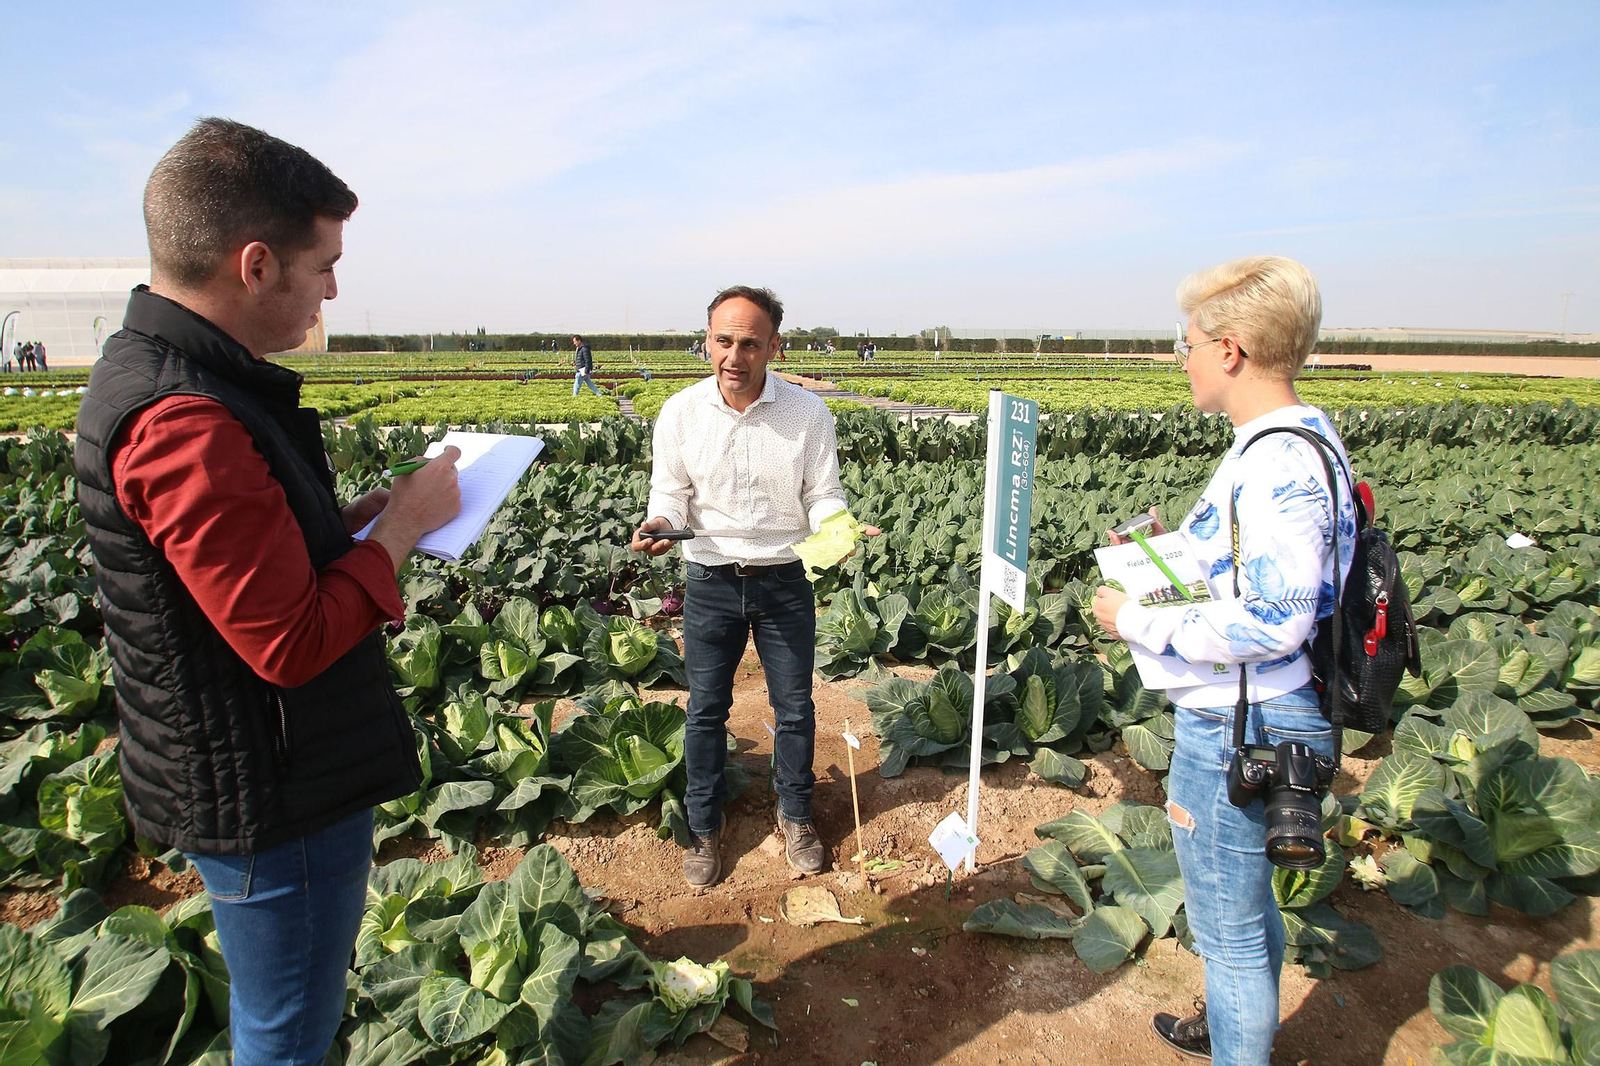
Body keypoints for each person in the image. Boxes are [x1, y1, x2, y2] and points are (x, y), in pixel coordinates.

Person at [73, 117, 462, 1066]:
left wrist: (352, 521)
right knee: (285, 1033)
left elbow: (239, 564)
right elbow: (286, 641)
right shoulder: (183, 418)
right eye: (321, 263)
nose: (332, 287)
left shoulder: (174, 377)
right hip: (271, 795)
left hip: (257, 767)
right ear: (255, 266)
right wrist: (406, 529)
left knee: (290, 1018)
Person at [1091, 256, 1354, 1066]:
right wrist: (1165, 555)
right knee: (1245, 913)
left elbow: (1276, 617)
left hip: (1245, 723)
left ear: (1231, 350)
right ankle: (1233, 1032)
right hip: (1268, 709)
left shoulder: (1274, 462)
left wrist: (1140, 617)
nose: (1184, 358)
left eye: (1190, 342)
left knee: (1228, 934)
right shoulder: (1297, 436)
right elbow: (1254, 570)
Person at [630, 285, 879, 888]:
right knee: (705, 712)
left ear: (774, 347)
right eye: (723, 341)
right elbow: (670, 492)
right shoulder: (681, 413)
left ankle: (795, 816)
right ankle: (704, 827)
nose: (734, 356)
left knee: (794, 709)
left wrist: (837, 529)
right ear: (706, 342)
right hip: (711, 578)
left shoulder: (807, 414)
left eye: (749, 343)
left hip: (783, 582)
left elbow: (822, 495)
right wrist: (661, 523)